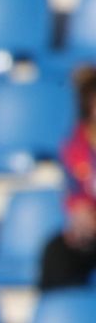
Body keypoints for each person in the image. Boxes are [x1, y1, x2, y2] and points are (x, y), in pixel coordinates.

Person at [39, 68, 96, 291]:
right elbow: (74, 192)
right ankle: (56, 318)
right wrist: (79, 214)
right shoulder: (76, 146)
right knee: (57, 252)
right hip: (90, 233)